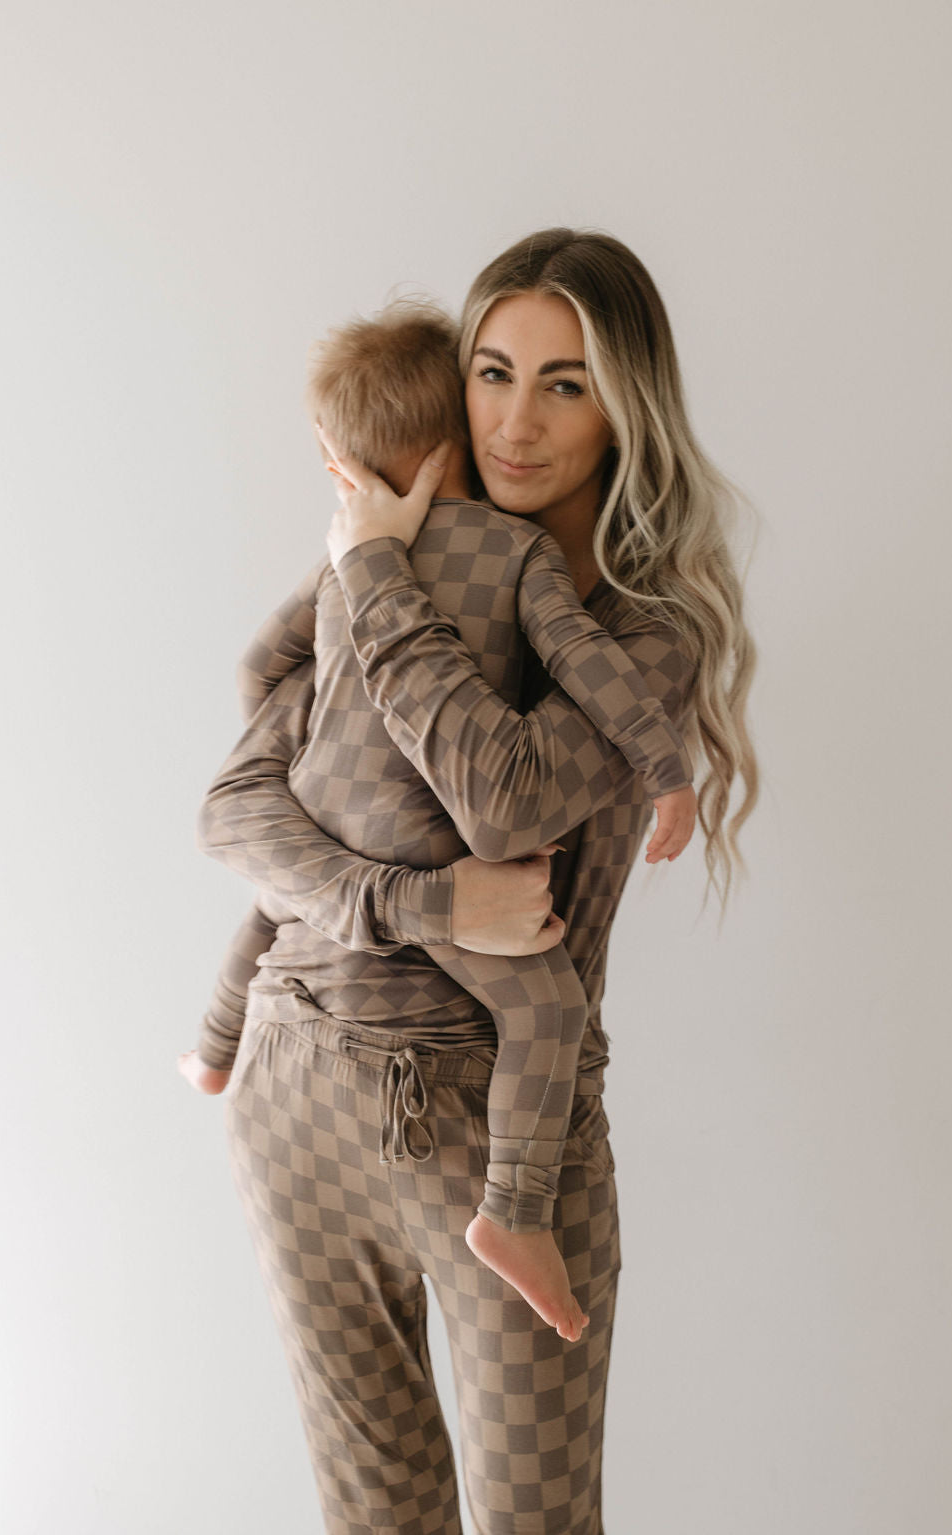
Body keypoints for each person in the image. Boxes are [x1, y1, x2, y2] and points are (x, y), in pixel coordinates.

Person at [181, 227, 759, 1535]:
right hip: (296, 1095)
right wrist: (422, 904)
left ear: (626, 409)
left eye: (566, 383)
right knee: (376, 1516)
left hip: (497, 1134)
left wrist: (374, 579)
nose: (516, 420)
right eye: (494, 372)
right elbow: (237, 805)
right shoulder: (404, 555)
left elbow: (498, 794)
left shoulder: (637, 642)